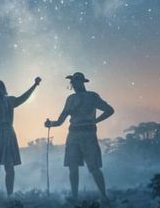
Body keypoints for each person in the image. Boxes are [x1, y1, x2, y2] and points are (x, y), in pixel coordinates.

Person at [45, 72, 113, 200]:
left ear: (82, 82)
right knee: (73, 167)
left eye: (76, 82)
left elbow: (109, 110)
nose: (74, 84)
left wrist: (95, 121)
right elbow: (60, 121)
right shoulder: (71, 99)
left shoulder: (92, 96)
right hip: (74, 134)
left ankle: (104, 196)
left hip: (88, 134)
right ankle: (75, 197)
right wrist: (51, 124)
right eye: (73, 82)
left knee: (93, 167)